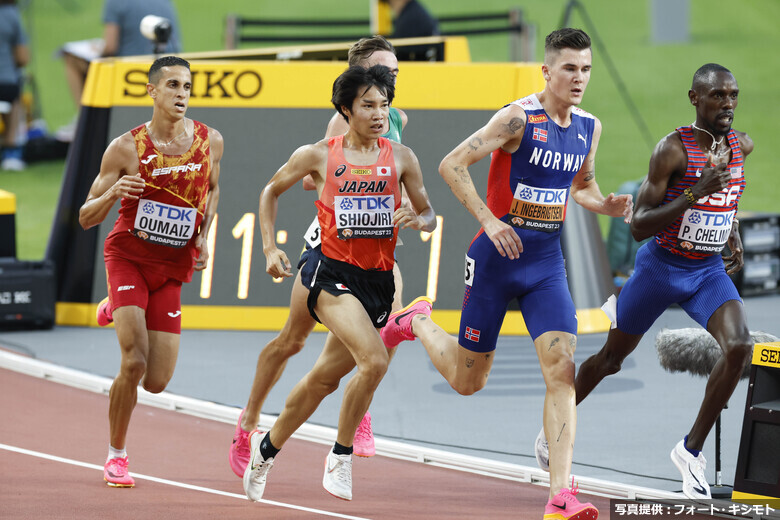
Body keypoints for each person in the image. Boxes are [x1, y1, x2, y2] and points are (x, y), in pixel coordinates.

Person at [381, 28, 632, 519]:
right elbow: (452, 164)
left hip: (544, 266)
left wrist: (604, 204)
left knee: (562, 369)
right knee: (466, 381)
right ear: (547, 71)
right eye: (569, 69)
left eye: (585, 69)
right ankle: (416, 322)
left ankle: (560, 494)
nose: (579, 78)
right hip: (495, 262)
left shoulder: (589, 127)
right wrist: (490, 221)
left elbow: (580, 186)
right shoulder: (517, 118)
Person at [535, 63, 752, 500]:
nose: (726, 104)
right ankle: (552, 426)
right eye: (716, 96)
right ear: (695, 98)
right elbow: (640, 226)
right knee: (610, 360)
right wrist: (695, 190)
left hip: (706, 271)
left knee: (740, 347)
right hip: (659, 269)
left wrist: (731, 232)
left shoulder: (741, 146)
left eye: (732, 96)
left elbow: (729, 197)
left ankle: (690, 452)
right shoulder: (671, 150)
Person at [242, 64, 436, 502]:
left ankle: (265, 449)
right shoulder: (318, 155)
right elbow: (270, 191)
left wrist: (419, 219)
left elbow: (429, 213)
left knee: (322, 382)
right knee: (375, 361)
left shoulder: (402, 158)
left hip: (377, 284)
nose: (378, 113)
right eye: (368, 105)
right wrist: (271, 249)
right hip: (327, 276)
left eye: (384, 105)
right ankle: (340, 455)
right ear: (346, 110)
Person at [79, 55, 222, 487]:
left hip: (172, 267)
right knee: (134, 362)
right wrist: (115, 192)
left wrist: (203, 236)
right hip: (129, 258)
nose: (182, 94)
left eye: (187, 87)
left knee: (158, 382)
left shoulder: (210, 141)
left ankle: (115, 306)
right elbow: (86, 216)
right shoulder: (125, 148)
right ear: (153, 92)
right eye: (173, 86)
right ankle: (116, 455)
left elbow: (213, 188)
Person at [59, 0, 181, 141]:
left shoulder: (115, 2)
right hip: (170, 68)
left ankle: (85, 122)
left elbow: (110, 47)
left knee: (72, 58)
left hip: (131, 73)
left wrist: (98, 49)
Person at [0, 0, 29, 171]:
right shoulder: (11, 14)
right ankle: (12, 150)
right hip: (6, 85)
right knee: (14, 89)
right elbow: (22, 58)